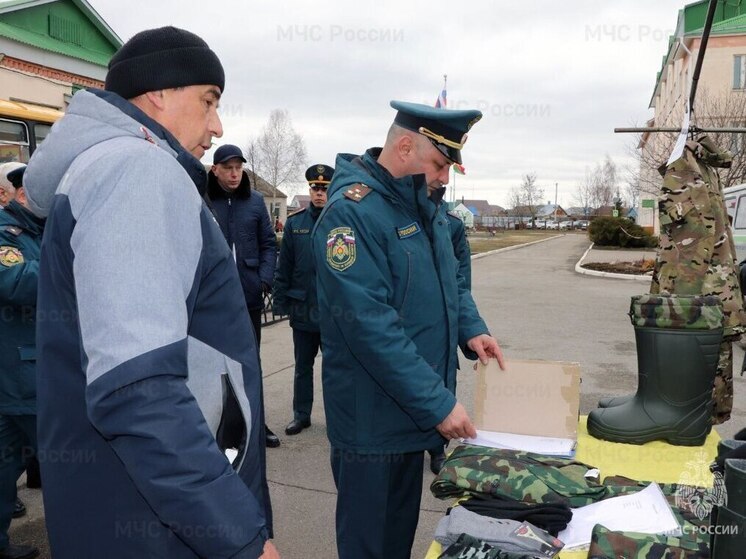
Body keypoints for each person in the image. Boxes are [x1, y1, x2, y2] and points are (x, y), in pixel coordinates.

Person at [23, 27, 278, 559]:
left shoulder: (108, 167)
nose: (217, 125)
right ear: (158, 93)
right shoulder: (135, 170)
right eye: (209, 102)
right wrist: (236, 533)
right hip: (157, 525)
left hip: (127, 504)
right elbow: (137, 391)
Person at [311, 100, 504, 559]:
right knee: (370, 545)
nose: (444, 177)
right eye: (439, 164)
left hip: (410, 416)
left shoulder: (421, 207)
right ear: (404, 146)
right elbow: (370, 328)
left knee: (395, 540)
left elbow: (449, 281)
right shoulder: (351, 215)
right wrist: (438, 403)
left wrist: (471, 330)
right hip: (372, 422)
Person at [207, 144, 280, 448]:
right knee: (214, 364)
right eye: (228, 167)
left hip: (248, 296)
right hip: (213, 300)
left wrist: (263, 280)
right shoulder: (203, 200)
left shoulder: (255, 201)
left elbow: (268, 244)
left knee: (250, 362)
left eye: (238, 167)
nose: (235, 173)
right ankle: (218, 427)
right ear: (216, 170)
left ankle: (256, 425)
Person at [0, 164, 43, 559]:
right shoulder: (5, 232)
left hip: (29, 372)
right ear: (18, 194)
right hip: (21, 372)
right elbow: (12, 282)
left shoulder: (38, 231)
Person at [273, 164, 333, 436]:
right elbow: (283, 267)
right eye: (315, 188)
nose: (319, 193)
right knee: (302, 367)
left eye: (325, 188)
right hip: (304, 308)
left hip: (335, 311)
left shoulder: (340, 222)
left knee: (335, 370)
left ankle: (338, 418)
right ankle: (301, 415)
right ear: (309, 190)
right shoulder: (296, 224)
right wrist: (281, 303)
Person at [427, 187, 473, 475]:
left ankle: (437, 449)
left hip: (442, 317)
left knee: (443, 381)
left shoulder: (451, 224)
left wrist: (466, 327)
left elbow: (461, 279)